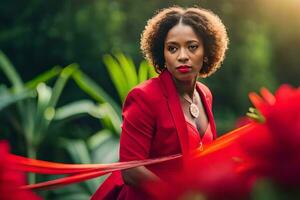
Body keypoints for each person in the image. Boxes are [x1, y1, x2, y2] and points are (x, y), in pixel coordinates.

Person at [91, 6, 228, 200]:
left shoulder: (205, 94)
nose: (182, 56)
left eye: (192, 46)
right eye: (172, 48)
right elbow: (131, 170)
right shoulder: (143, 97)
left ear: (207, 51)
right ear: (162, 54)